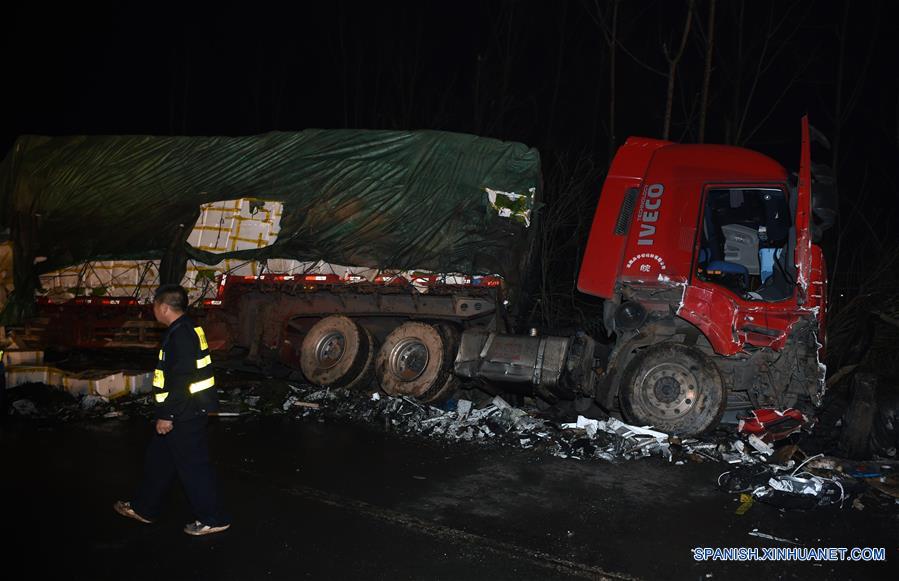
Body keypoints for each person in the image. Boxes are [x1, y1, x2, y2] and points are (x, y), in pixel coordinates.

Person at [114, 284, 230, 536]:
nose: (154, 310)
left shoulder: (181, 335)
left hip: (185, 413)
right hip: (186, 409)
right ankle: (144, 508)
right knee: (158, 461)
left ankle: (214, 518)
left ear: (164, 307)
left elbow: (181, 380)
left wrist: (168, 415)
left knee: (193, 467)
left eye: (155, 305)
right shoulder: (186, 328)